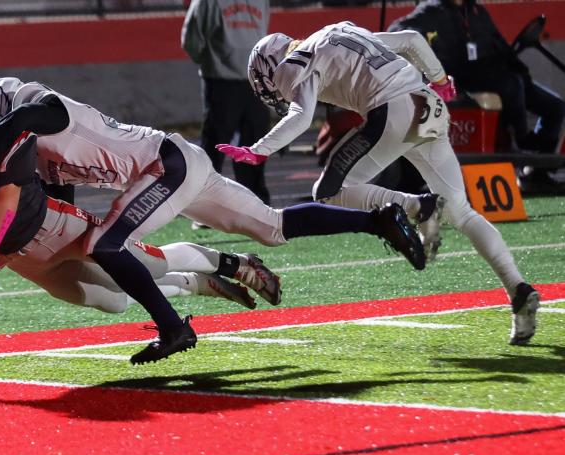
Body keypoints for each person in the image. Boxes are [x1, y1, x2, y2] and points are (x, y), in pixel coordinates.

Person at [0, 78, 428, 364]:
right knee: (272, 226)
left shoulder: (38, 108)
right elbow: (56, 202)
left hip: (163, 166)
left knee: (106, 246)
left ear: (0, 115)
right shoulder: (33, 142)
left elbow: (28, 116)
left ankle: (173, 328)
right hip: (176, 164)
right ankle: (379, 220)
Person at [0, 91, 282, 349]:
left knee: (149, 266)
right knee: (112, 302)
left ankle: (228, 262)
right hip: (19, 256)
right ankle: (194, 285)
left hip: (54, 230)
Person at [216, 22, 540, 345]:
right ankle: (518, 289)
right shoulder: (339, 32)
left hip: (393, 108)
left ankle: (419, 206)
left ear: (271, 64)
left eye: (265, 80)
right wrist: (439, 79)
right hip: (429, 103)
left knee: (327, 193)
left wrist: (259, 151)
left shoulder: (295, 60)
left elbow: (301, 115)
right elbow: (412, 39)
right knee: (461, 212)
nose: (271, 89)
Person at [389, 0, 565, 155]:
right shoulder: (431, 11)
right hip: (463, 77)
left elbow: (501, 45)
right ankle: (520, 139)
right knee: (511, 84)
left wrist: (517, 66)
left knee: (555, 107)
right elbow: (398, 28)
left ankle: (538, 170)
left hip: (493, 74)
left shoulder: (477, 12)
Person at [181, 0, 272, 210]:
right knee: (215, 145)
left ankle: (254, 205)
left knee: (255, 144)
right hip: (221, 80)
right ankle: (205, 207)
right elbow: (191, 39)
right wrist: (213, 63)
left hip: (253, 80)